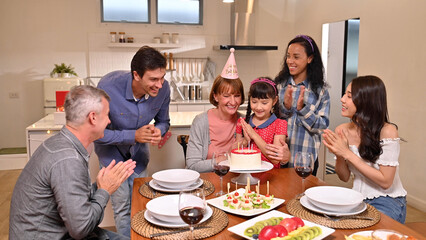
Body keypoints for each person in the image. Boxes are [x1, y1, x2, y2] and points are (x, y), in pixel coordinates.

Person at [9, 85, 136, 240]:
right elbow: (81, 229)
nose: (109, 120)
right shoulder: (68, 159)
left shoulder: (61, 143)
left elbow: (73, 201)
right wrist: (105, 190)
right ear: (93, 117)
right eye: (107, 115)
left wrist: (102, 184)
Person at [94, 46, 170, 236]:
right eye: (153, 79)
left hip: (139, 158)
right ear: (136, 75)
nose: (159, 85)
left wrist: (157, 131)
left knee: (141, 205)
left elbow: (164, 122)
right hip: (111, 159)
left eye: (162, 78)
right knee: (122, 209)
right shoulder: (107, 87)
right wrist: (133, 135)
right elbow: (97, 133)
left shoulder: (164, 88)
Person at [322, 75, 407, 223]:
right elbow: (344, 177)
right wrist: (339, 155)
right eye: (344, 94)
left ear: (366, 102)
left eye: (349, 96)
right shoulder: (342, 130)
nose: (342, 99)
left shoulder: (388, 131)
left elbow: (386, 181)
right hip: (357, 198)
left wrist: (346, 153)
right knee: (328, 222)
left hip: (388, 201)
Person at [275, 35, 330, 175]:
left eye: (296, 57)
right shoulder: (279, 86)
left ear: (310, 59)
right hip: (278, 158)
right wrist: (285, 108)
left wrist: (303, 110)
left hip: (306, 160)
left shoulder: (320, 91)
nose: (290, 61)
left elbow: (322, 125)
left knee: (303, 196)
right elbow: (269, 120)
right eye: (288, 56)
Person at [186, 48, 245, 172]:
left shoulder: (244, 121)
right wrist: (226, 157)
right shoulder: (201, 121)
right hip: (206, 182)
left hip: (235, 182)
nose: (233, 102)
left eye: (237, 95)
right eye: (226, 96)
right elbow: (193, 165)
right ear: (215, 96)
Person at [235, 77, 290, 168]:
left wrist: (254, 135)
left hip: (270, 177)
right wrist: (245, 141)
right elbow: (235, 153)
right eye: (254, 102)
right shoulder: (242, 122)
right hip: (245, 175)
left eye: (264, 103)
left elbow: (275, 158)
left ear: (274, 101)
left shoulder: (280, 124)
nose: (258, 107)